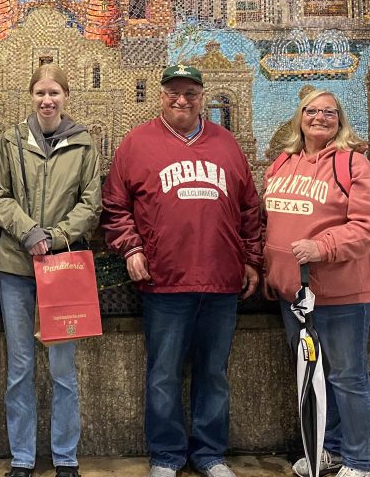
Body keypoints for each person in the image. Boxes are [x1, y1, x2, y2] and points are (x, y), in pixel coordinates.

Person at [101, 64, 263, 477]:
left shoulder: (226, 143)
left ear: (202, 96)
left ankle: (210, 453)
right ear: (161, 95)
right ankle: (166, 455)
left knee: (214, 372)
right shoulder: (137, 143)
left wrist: (250, 259)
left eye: (190, 92)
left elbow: (249, 209)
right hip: (164, 280)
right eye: (174, 92)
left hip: (221, 280)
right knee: (162, 374)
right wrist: (131, 247)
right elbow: (115, 207)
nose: (182, 100)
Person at [262, 89, 370, 477]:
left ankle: (361, 462)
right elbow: (271, 221)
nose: (320, 117)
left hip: (342, 294)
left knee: (347, 377)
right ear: (300, 116)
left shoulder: (354, 164)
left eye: (329, 112)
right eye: (312, 111)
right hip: (294, 296)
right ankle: (329, 447)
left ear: (340, 118)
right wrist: (272, 270)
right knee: (314, 378)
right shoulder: (282, 162)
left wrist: (322, 247)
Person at [0, 64, 102, 477]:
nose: (47, 100)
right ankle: (22, 457)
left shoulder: (84, 144)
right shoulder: (11, 140)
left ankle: (65, 456)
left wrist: (52, 237)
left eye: (54, 92)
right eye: (40, 93)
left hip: (63, 268)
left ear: (66, 96)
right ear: (31, 96)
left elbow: (91, 204)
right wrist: (27, 232)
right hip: (16, 268)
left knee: (62, 368)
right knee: (19, 367)